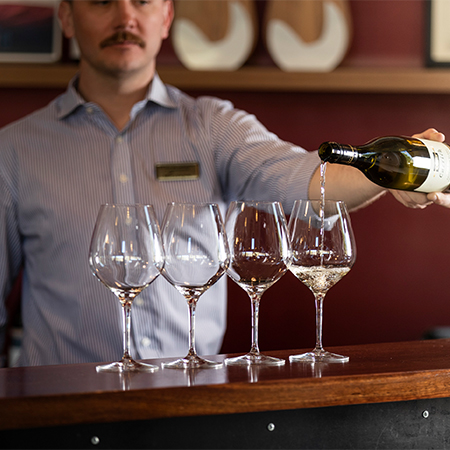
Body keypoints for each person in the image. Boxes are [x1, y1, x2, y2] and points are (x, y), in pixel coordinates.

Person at [0, 0, 448, 367]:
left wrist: (386, 173)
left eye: (142, 1)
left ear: (166, 16)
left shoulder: (213, 126)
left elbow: (305, 180)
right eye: (102, 2)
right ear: (66, 17)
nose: (125, 17)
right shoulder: (14, 150)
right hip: (60, 406)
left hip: (192, 402)